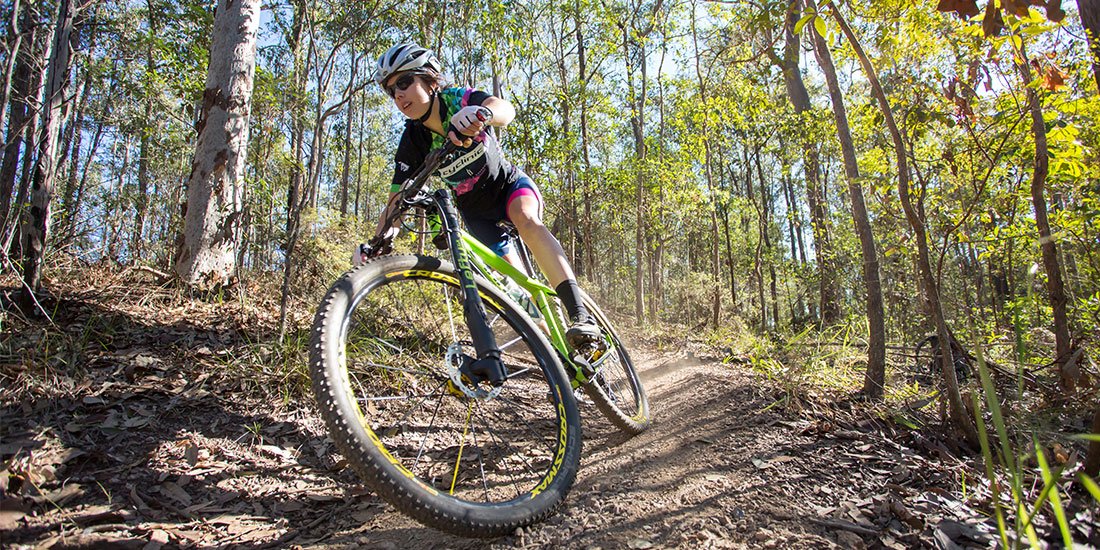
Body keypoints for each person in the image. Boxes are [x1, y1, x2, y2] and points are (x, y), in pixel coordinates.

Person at [362, 43, 599, 348]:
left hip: (508, 187)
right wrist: (376, 241)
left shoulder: (455, 99)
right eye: (391, 90)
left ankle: (581, 315)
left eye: (404, 83)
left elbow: (505, 110)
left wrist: (481, 112)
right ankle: (561, 353)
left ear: (430, 79)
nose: (398, 95)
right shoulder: (413, 139)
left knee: (526, 220)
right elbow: (397, 201)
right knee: (518, 292)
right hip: (476, 215)